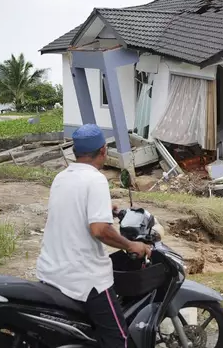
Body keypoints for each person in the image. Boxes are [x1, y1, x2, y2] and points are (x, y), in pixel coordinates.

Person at [36, 124, 152, 348]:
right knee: (118, 340)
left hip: (51, 272)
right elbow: (99, 230)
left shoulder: (62, 177)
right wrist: (130, 245)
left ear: (76, 152)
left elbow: (73, 208)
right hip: (86, 279)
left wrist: (103, 207)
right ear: (103, 151)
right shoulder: (96, 179)